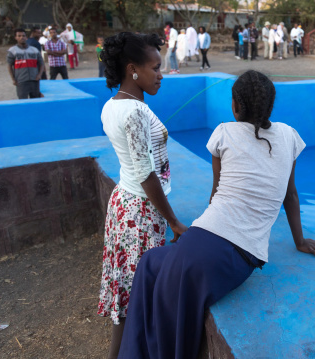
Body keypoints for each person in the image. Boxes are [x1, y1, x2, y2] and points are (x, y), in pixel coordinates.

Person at [117, 70, 315, 359]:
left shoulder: (223, 132)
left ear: (235, 106)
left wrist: (192, 234)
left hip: (206, 243)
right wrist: (299, 240)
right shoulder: (289, 135)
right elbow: (290, 194)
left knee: (169, 301)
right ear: (270, 106)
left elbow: (216, 193)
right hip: (242, 257)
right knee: (150, 263)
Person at [97, 31, 188, 359]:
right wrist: (174, 221)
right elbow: (145, 174)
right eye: (155, 68)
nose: (161, 75)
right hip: (140, 211)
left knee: (130, 292)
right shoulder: (134, 112)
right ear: (133, 69)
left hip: (124, 203)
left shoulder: (113, 105)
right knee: (139, 294)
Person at [7, 28, 45, 99]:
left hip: (35, 80)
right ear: (16, 37)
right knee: (22, 101)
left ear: (26, 37)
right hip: (21, 81)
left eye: (23, 36)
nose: (22, 37)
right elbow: (9, 65)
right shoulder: (12, 51)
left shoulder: (34, 50)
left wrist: (39, 75)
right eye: (19, 36)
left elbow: (41, 63)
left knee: (35, 101)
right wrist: (13, 79)